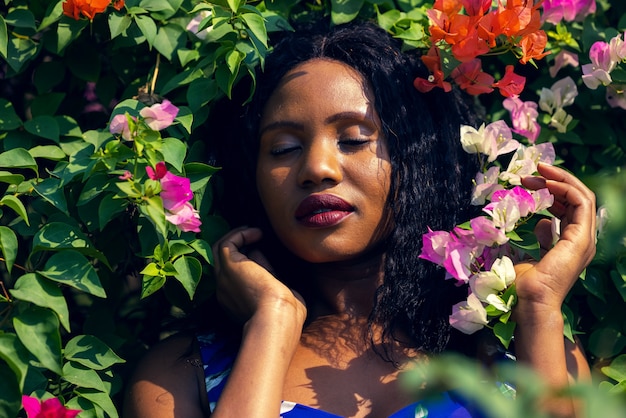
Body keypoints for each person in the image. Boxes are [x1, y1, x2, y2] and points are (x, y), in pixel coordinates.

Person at [123, 21, 596, 418]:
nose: (316, 169)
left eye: (353, 139)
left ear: (419, 160)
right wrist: (272, 322)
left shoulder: (532, 350)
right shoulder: (178, 377)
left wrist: (536, 307)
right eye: (284, 148)